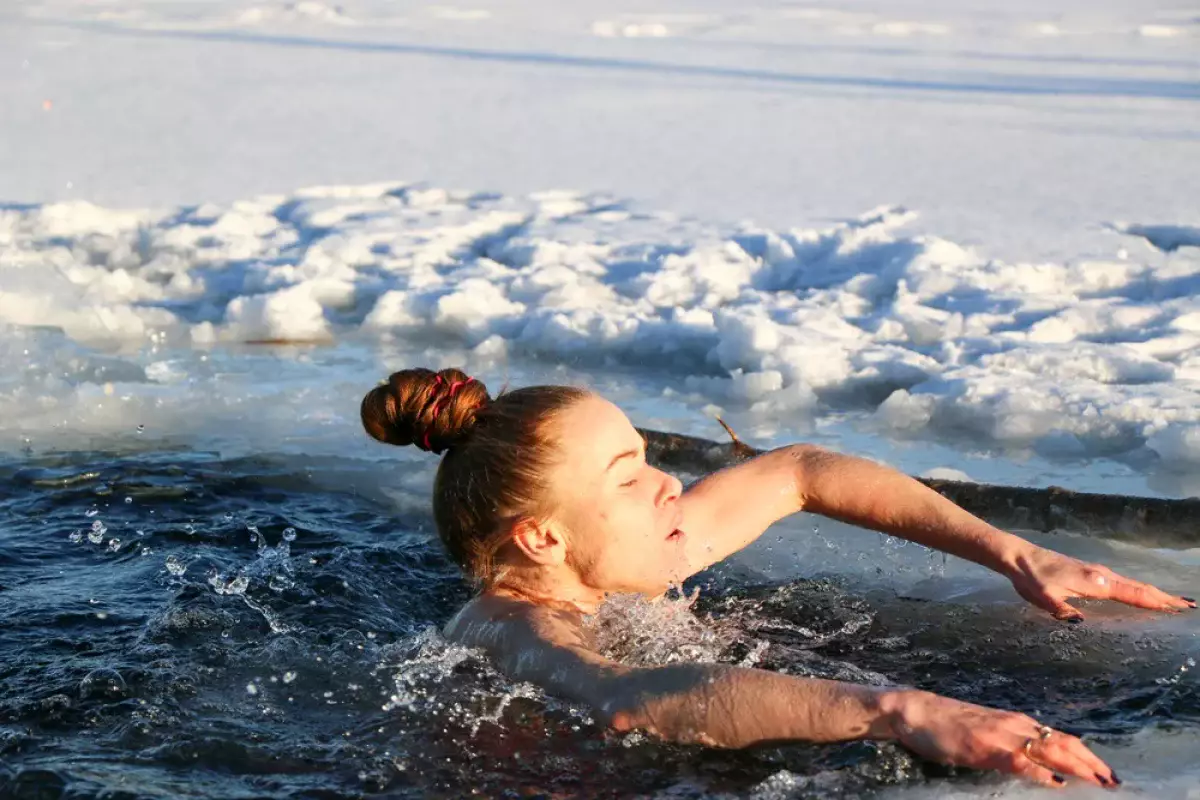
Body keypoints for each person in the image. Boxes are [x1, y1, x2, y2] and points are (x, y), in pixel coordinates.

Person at [361, 368, 1194, 789]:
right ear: (541, 536)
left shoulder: (626, 553)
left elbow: (799, 471)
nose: (666, 485)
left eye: (649, 461)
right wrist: (899, 711)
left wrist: (1017, 554)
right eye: (628, 476)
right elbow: (624, 696)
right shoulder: (516, 627)